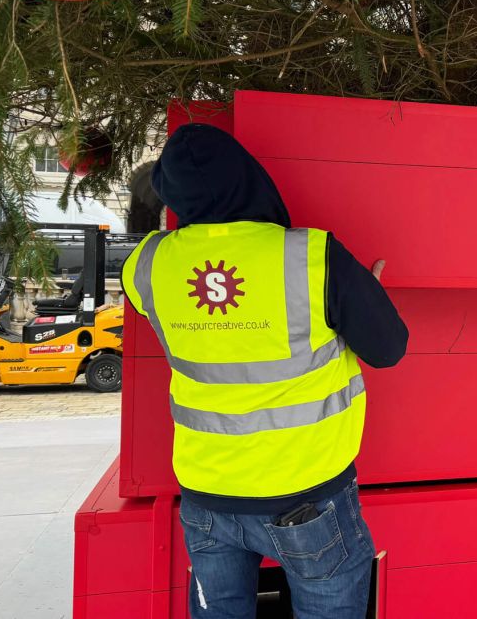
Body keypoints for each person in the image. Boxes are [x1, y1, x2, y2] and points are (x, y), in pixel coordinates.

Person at [121, 124, 409, 619]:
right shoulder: (312, 257)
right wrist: (360, 301)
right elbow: (388, 349)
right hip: (306, 497)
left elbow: (213, 330)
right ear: (251, 178)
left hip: (206, 497)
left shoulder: (145, 265)